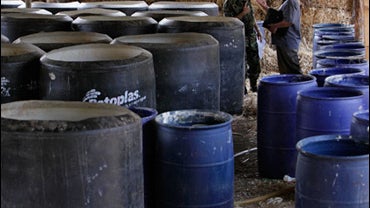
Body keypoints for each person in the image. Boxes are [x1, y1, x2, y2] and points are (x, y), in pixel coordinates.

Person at [223, 0, 262, 93]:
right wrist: (243, 13)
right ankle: (242, 88)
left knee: (255, 63)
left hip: (251, 35)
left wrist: (257, 30)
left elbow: (251, 16)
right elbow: (229, 22)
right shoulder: (229, 3)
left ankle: (253, 84)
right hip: (238, 36)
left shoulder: (247, 1)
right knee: (241, 64)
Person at [256, 0, 302, 74]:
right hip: (283, 41)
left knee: (293, 71)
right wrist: (265, 7)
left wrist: (274, 26)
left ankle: (300, 85)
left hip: (288, 41)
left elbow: (289, 21)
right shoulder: (287, 2)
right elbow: (279, 16)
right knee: (285, 71)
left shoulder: (291, 2)